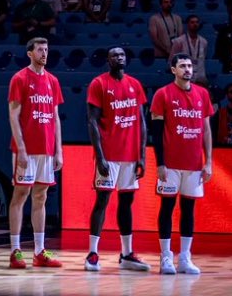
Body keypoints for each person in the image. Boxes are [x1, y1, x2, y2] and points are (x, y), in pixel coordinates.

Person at [84, 46, 150, 273]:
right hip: (109, 155)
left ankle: (127, 254)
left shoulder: (135, 85)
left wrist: (142, 155)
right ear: (108, 60)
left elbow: (142, 121)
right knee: (102, 201)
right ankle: (93, 253)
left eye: (122, 55)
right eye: (114, 55)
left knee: (126, 203)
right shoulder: (98, 84)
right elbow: (91, 122)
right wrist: (99, 156)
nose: (119, 58)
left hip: (130, 156)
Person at [149, 54, 215, 275]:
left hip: (194, 164)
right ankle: (165, 257)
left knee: (189, 210)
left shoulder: (203, 94)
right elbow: (156, 133)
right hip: (170, 164)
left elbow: (206, 130)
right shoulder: (162, 94)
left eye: (189, 66)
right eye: (182, 66)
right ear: (173, 70)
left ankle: (185, 258)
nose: (187, 69)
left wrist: (209, 162)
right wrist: (160, 163)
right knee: (167, 208)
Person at [7, 37, 65, 269]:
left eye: (46, 49)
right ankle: (15, 251)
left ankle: (39, 251)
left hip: (47, 149)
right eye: (40, 49)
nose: (44, 53)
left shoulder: (52, 80)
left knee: (40, 197)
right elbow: (13, 115)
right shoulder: (19, 78)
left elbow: (56, 117)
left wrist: (58, 150)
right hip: (26, 150)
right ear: (29, 53)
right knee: (20, 196)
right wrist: (20, 148)